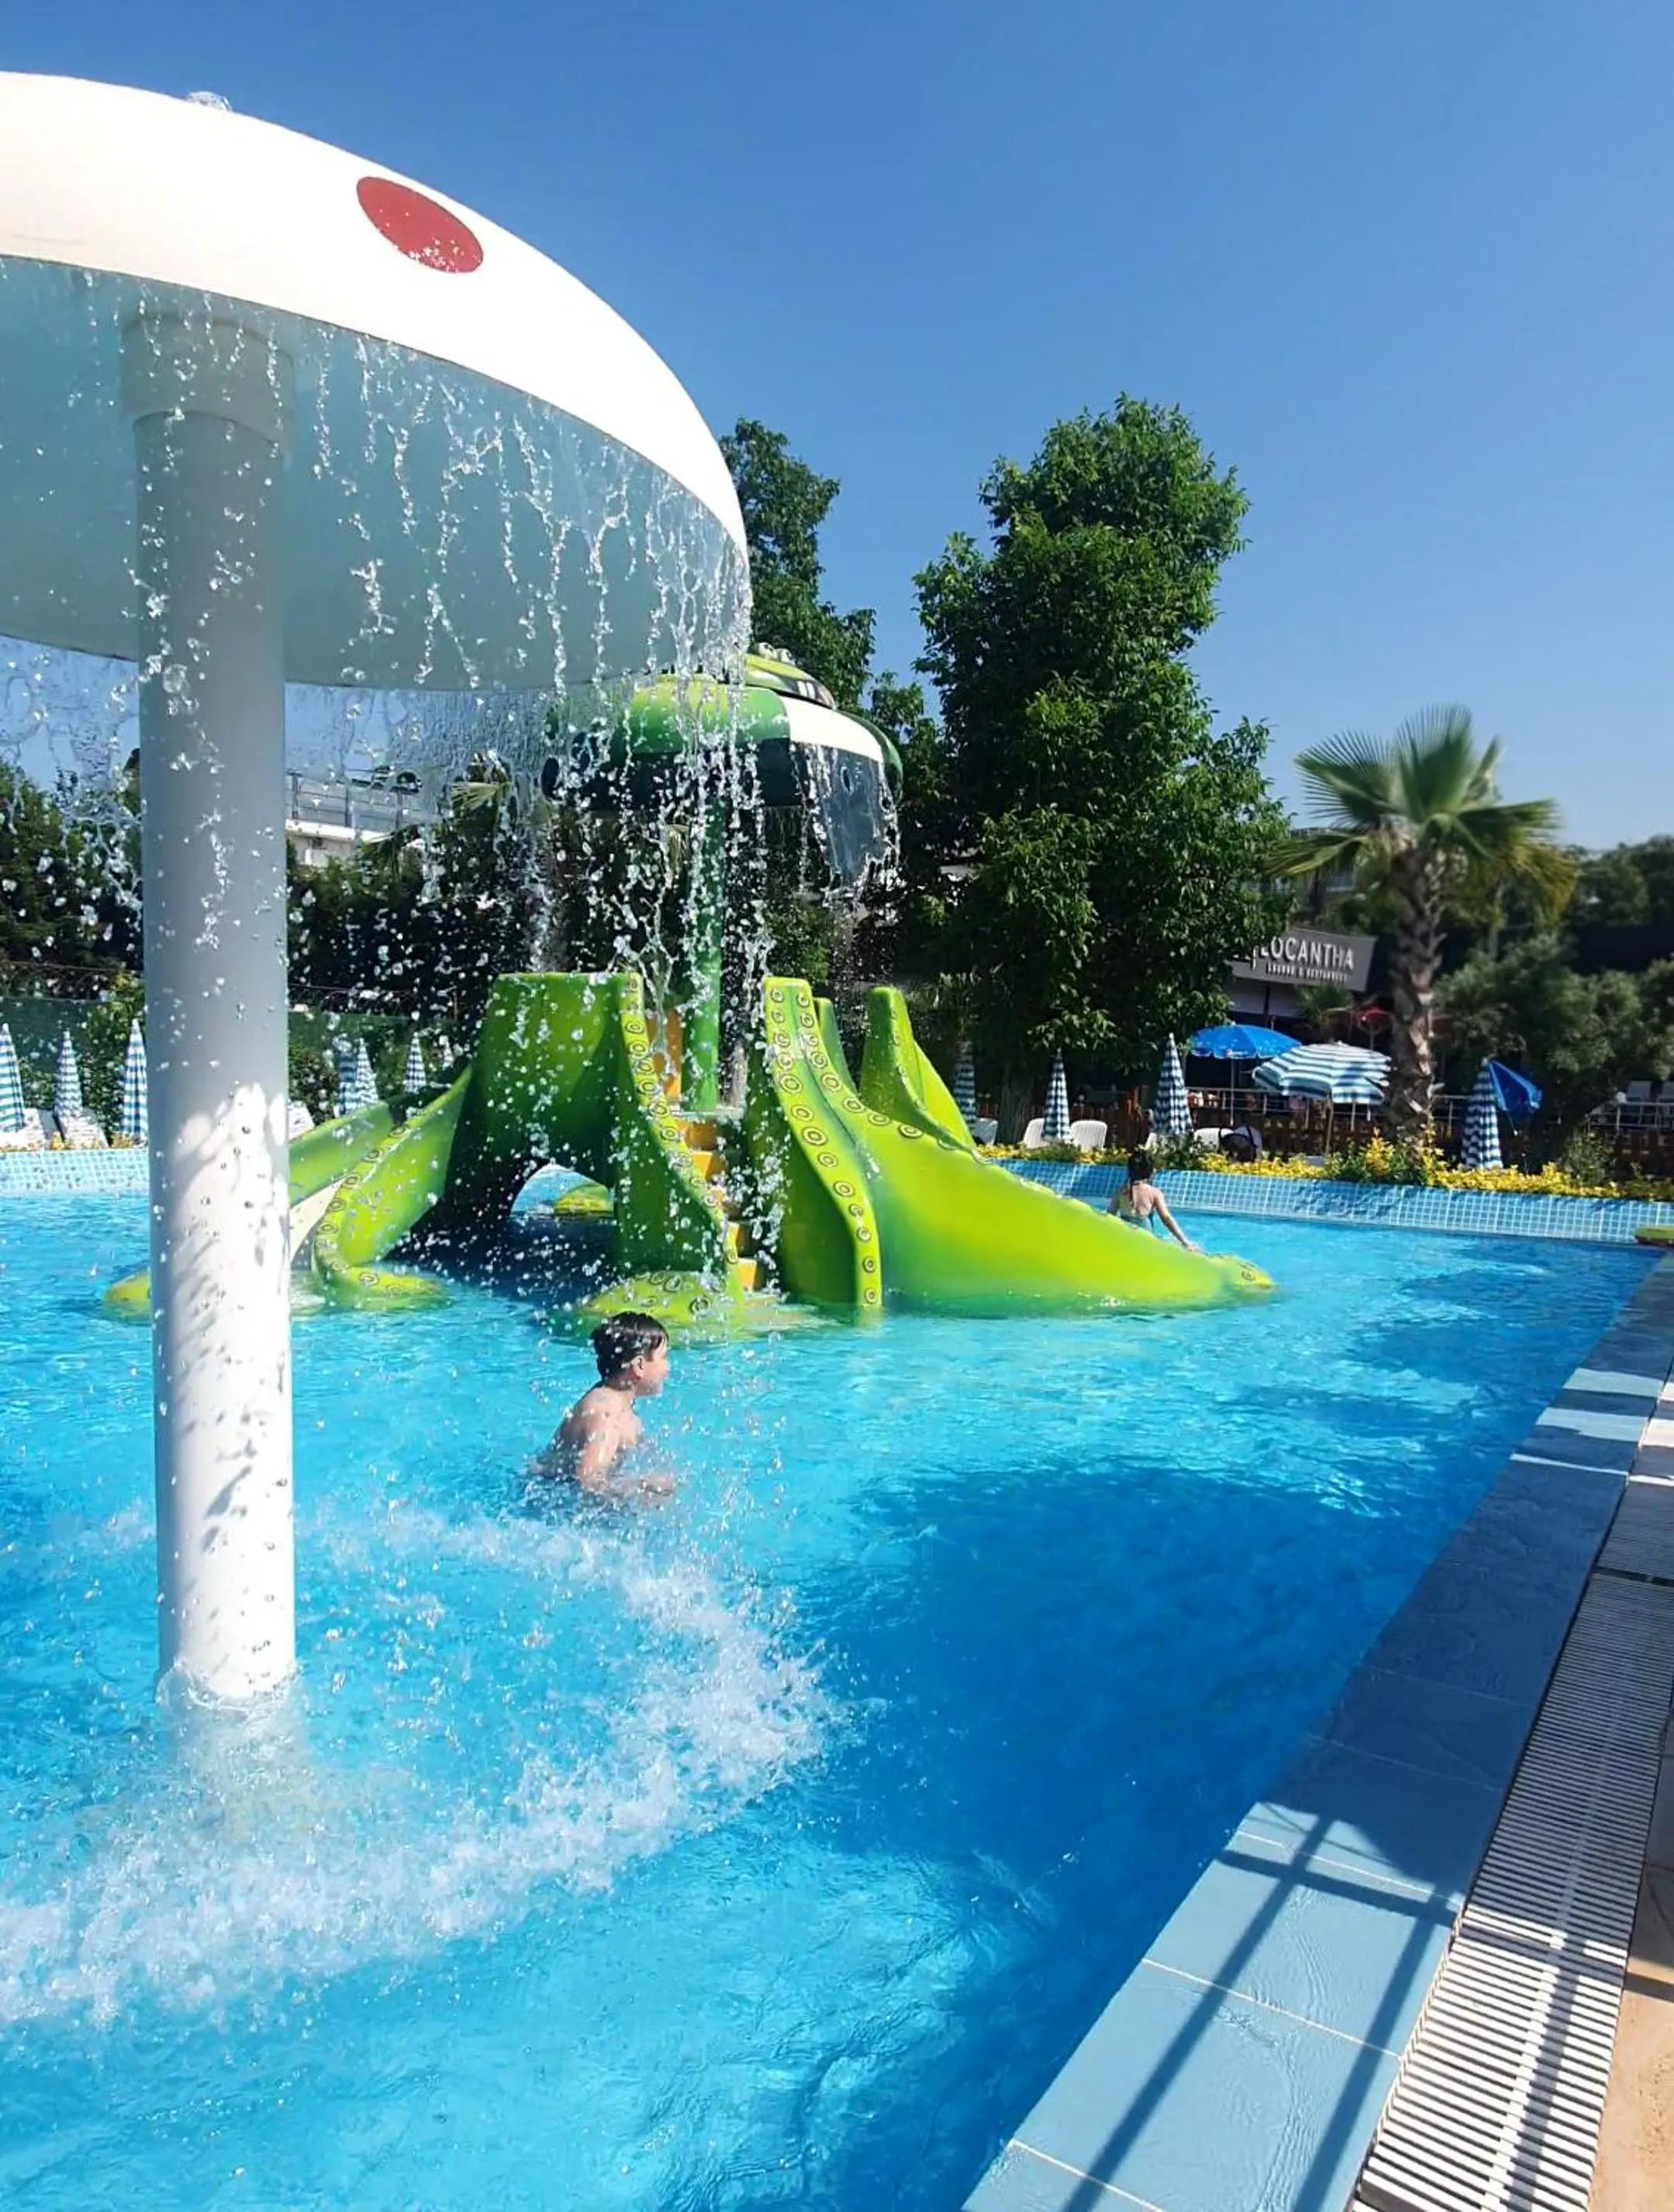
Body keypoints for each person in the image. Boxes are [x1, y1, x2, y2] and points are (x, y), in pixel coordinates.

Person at [538, 1311, 675, 1503]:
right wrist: (641, 1486)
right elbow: (587, 1482)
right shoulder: (607, 1415)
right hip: (551, 1501)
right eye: (664, 1357)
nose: (668, 1367)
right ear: (639, 1365)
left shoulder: (615, 1400)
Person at [1111, 1148, 1200, 1252]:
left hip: (1124, 1240)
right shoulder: (1154, 1193)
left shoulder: (1121, 1192)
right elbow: (1166, 1219)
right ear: (1150, 1172)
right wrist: (1185, 1242)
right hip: (1145, 1243)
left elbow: (1110, 1215)